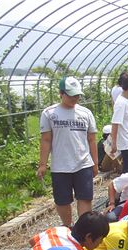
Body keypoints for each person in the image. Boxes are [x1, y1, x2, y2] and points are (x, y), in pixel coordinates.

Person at [37, 76, 98, 227]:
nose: (74, 98)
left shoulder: (85, 113)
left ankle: (83, 229)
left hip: (83, 163)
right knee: (62, 200)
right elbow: (46, 140)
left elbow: (91, 139)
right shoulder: (50, 113)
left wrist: (95, 163)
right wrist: (42, 164)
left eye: (77, 95)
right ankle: (68, 227)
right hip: (60, 165)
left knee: (85, 198)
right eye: (70, 95)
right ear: (61, 93)